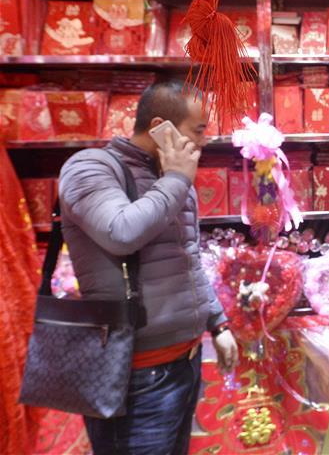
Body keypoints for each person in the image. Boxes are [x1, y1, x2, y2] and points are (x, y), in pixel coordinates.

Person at [58, 81, 238, 454]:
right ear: (160, 127)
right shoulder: (90, 168)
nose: (203, 141)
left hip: (184, 362)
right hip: (133, 374)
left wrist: (217, 323)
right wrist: (176, 180)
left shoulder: (171, 177)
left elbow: (187, 257)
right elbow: (121, 233)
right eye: (198, 130)